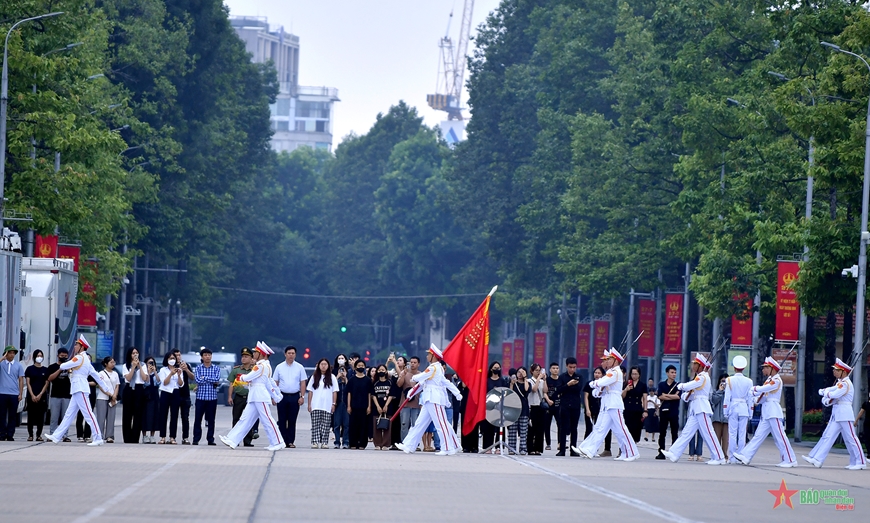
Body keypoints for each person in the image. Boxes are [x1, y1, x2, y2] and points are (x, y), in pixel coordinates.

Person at [396, 345, 462, 456]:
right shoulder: (437, 368)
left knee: (441, 424)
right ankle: (409, 445)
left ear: (433, 356)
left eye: (429, 354)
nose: (427, 356)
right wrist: (411, 392)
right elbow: (424, 384)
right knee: (419, 424)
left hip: (434, 399)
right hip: (429, 399)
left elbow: (421, 377)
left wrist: (413, 378)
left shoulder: (433, 368)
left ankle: (447, 448)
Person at [45, 335, 110, 446]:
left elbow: (65, 365)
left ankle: (98, 437)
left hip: (80, 388)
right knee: (68, 415)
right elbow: (95, 375)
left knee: (88, 414)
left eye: (76, 345)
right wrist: (105, 387)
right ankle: (56, 436)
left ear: (81, 347)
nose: (75, 346)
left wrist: (63, 365)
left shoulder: (79, 358)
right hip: (77, 389)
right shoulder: (85, 360)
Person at [802, 358, 867, 470]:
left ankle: (860, 462)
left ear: (844, 372)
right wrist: (826, 395)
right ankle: (818, 459)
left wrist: (825, 393)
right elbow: (830, 396)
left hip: (845, 414)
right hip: (837, 414)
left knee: (851, 438)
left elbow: (834, 394)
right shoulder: (840, 383)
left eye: (837, 370)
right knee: (828, 436)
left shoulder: (845, 384)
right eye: (835, 369)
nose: (834, 371)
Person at [733, 357, 797, 468]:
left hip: (773, 412)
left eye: (765, 368)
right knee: (758, 436)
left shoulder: (776, 380)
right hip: (767, 412)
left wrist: (755, 389)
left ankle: (791, 459)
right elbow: (763, 397)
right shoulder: (770, 380)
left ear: (771, 368)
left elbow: (765, 389)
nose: (763, 370)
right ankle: (746, 456)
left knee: (780, 437)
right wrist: (754, 398)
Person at [661, 354, 725, 465]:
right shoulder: (699, 377)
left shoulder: (703, 377)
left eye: (695, 364)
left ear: (700, 366)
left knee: (708, 433)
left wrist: (681, 386)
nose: (693, 366)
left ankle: (719, 457)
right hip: (696, 408)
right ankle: (674, 453)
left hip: (702, 408)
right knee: (686, 432)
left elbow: (690, 385)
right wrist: (684, 395)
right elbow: (692, 394)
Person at [576, 350, 638, 461]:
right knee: (602, 429)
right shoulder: (613, 371)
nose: (607, 361)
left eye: (610, 359)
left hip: (614, 404)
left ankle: (632, 453)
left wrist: (592, 383)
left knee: (622, 429)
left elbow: (601, 382)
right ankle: (590, 450)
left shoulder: (615, 372)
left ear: (615, 361)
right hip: (609, 404)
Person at [220, 342, 284, 451]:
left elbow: (249, 377)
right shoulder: (264, 365)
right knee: (245, 419)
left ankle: (278, 442)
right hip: (255, 395)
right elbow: (268, 382)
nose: (254, 354)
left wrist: (241, 378)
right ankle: (232, 439)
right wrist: (276, 395)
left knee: (267, 419)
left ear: (262, 354)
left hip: (260, 396)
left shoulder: (260, 366)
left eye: (256, 352)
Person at [274, 346, 307, 448]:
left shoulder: (299, 367)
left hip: (294, 396)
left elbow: (302, 383)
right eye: (289, 353)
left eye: (293, 353)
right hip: (282, 396)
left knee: (292, 420)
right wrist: (274, 396)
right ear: (285, 354)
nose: (291, 355)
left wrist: (302, 396)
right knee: (282, 419)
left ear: (295, 355)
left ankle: (290, 441)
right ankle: (282, 440)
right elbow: (275, 382)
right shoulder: (279, 367)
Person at [723, 355, 752, 463]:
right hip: (744, 407)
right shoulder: (749, 381)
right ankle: (740, 456)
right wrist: (751, 412)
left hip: (733, 407)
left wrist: (725, 411)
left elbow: (727, 397)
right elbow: (750, 398)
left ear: (734, 367)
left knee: (732, 433)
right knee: (742, 434)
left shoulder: (729, 379)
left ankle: (732, 458)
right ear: (743, 368)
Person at [555, 357, 584, 456]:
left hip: (575, 405)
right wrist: (568, 384)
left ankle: (573, 449)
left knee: (574, 428)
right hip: (565, 405)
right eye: (570, 367)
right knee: (563, 428)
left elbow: (578, 388)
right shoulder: (562, 377)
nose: (572, 369)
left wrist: (568, 387)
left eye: (574, 367)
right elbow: (559, 390)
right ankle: (562, 449)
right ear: (566, 366)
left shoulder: (579, 376)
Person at [228, 347, 257, 447]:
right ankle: (235, 439)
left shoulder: (255, 370)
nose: (244, 359)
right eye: (243, 357)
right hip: (239, 397)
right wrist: (230, 396)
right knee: (236, 418)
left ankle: (248, 440)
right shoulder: (236, 370)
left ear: (251, 358)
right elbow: (231, 383)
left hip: (250, 397)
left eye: (246, 357)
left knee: (248, 419)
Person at [193, 347, 221, 446]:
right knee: (198, 419)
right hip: (200, 397)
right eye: (205, 355)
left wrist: (204, 378)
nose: (207, 357)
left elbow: (217, 379)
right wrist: (210, 380)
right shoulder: (198, 368)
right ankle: (196, 439)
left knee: (211, 420)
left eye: (209, 355)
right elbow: (197, 380)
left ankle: (210, 439)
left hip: (212, 398)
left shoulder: (216, 368)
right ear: (202, 357)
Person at [307, 358, 337, 449]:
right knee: (315, 424)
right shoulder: (314, 377)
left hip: (327, 405)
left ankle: (324, 442)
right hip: (315, 404)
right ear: (318, 366)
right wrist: (309, 404)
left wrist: (333, 403)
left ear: (328, 366)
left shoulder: (332, 377)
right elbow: (310, 391)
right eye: (322, 364)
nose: (323, 366)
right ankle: (315, 442)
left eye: (325, 364)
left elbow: (334, 391)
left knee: (326, 425)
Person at [120, 347, 148, 443]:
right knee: (127, 414)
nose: (135, 355)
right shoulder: (125, 366)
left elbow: (144, 378)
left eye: (136, 353)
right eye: (133, 353)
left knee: (138, 414)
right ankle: (127, 438)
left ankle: (135, 438)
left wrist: (139, 366)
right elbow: (128, 378)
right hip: (129, 389)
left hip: (139, 389)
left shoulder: (143, 365)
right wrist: (133, 367)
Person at [583, 366, 611, 455]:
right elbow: (586, 397)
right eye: (595, 373)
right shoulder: (590, 383)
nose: (597, 375)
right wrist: (587, 409)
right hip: (590, 409)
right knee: (589, 429)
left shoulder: (605, 384)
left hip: (602, 410)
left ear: (603, 375)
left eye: (599, 373)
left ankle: (607, 449)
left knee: (604, 429)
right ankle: (586, 447)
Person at [157, 351, 183, 444]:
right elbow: (164, 382)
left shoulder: (178, 369)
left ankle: (172, 437)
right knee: (163, 415)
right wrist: (171, 374)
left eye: (173, 358)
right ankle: (162, 437)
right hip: (165, 392)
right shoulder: (163, 370)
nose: (172, 360)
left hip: (175, 392)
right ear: (166, 360)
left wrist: (179, 375)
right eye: (170, 358)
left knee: (174, 415)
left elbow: (181, 384)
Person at [481, 361, 508, 452]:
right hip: (489, 407)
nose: (497, 369)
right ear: (491, 369)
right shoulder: (486, 380)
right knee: (488, 428)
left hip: (500, 407)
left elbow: (506, 392)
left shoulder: (502, 381)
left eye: (498, 368)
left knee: (500, 427)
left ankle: (498, 447)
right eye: (495, 368)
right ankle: (488, 447)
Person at [346, 359, 372, 449]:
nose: (361, 367)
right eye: (359, 365)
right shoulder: (352, 380)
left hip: (364, 406)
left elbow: (369, 393)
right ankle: (353, 443)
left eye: (362, 366)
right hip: (353, 406)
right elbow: (349, 393)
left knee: (363, 426)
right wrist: (349, 406)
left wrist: (369, 406)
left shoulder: (368, 380)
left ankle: (362, 444)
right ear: (355, 367)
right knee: (353, 425)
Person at [655, 365, 680, 459]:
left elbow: (678, 397)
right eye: (672, 372)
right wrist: (672, 396)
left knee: (674, 432)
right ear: (667, 373)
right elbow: (660, 396)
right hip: (664, 411)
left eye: (675, 372)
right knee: (662, 432)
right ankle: (661, 451)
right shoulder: (661, 384)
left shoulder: (678, 385)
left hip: (674, 411)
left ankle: (674, 452)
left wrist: (666, 395)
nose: (674, 374)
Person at [46, 348, 72, 441]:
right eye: (62, 356)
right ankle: (53, 434)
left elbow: (73, 378)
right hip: (55, 395)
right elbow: (50, 378)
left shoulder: (70, 367)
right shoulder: (52, 367)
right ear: (58, 356)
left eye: (65, 356)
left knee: (66, 417)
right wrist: (60, 369)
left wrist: (69, 369)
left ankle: (65, 435)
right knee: (54, 417)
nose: (63, 357)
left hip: (67, 395)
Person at [24, 349, 50, 441]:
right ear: (34, 357)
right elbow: (28, 383)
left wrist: (40, 395)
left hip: (41, 396)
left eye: (41, 356)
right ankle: (30, 435)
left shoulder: (45, 370)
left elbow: (46, 383)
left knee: (40, 417)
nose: (39, 357)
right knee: (30, 416)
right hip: (31, 396)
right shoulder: (29, 369)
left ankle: (39, 435)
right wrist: (32, 395)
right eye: (38, 356)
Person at [1, 346, 25, 441]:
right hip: (2, 393)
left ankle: (10, 434)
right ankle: (2, 433)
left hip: (14, 394)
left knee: (12, 415)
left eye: (13, 353)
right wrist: (3, 358)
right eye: (9, 353)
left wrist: (20, 393)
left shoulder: (18, 365)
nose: (12, 355)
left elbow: (20, 380)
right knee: (2, 415)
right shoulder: (2, 364)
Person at [370, 364, 395, 450]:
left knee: (388, 426)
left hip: (388, 406)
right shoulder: (375, 383)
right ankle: (377, 444)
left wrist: (386, 405)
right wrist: (377, 406)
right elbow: (373, 395)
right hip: (377, 406)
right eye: (379, 370)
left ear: (386, 371)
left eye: (383, 370)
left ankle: (386, 444)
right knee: (376, 425)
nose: (381, 371)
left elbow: (391, 395)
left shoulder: (390, 382)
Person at [171, 349, 194, 444]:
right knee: (173, 417)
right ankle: (172, 437)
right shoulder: (170, 366)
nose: (178, 357)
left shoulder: (186, 365)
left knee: (185, 417)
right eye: (176, 355)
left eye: (179, 355)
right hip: (174, 395)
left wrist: (186, 370)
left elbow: (193, 377)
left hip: (185, 395)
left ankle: (185, 437)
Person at [95, 357, 120, 443]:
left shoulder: (115, 374)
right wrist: (110, 394)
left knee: (111, 418)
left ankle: (109, 436)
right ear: (106, 364)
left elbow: (117, 385)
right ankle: (99, 435)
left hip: (113, 399)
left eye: (114, 362)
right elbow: (101, 386)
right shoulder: (101, 373)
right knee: (101, 418)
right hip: (102, 398)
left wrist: (114, 395)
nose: (113, 364)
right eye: (111, 362)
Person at [396, 356, 421, 441]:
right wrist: (403, 374)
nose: (412, 364)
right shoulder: (404, 372)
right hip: (405, 403)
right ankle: (404, 442)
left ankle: (415, 443)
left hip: (417, 403)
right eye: (411, 362)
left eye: (415, 362)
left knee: (415, 424)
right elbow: (399, 384)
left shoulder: (421, 374)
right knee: (404, 424)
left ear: (418, 364)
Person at [622, 366, 648, 443]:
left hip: (637, 409)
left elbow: (645, 398)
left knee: (636, 430)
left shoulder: (642, 385)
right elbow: (622, 396)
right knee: (626, 429)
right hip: (627, 409)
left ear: (639, 374)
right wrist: (626, 390)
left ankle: (633, 448)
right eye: (632, 374)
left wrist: (645, 410)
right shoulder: (626, 383)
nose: (634, 376)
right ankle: (623, 449)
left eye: (636, 374)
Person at [527, 363, 548, 455]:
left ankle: (538, 448)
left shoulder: (542, 381)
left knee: (540, 429)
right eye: (536, 370)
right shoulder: (529, 381)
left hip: (540, 406)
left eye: (539, 370)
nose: (538, 372)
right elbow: (534, 389)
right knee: (532, 429)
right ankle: (530, 448)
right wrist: (539, 379)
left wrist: (545, 380)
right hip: (532, 406)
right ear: (532, 371)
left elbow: (545, 391)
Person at [510, 366, 531, 454]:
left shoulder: (527, 383)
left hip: (524, 409)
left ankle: (523, 448)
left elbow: (527, 390)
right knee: (512, 431)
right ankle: (511, 448)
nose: (520, 373)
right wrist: (511, 383)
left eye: (522, 372)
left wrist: (525, 378)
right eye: (519, 371)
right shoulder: (513, 383)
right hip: (513, 409)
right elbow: (509, 393)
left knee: (523, 431)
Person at [142, 356, 161, 443]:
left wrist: (155, 372)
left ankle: (152, 435)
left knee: (154, 416)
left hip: (155, 396)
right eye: (149, 363)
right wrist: (148, 373)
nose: (151, 364)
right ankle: (145, 435)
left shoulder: (157, 372)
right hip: (146, 396)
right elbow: (146, 383)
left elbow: (158, 382)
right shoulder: (144, 373)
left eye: (152, 363)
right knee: (146, 415)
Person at [710, 374, 729, 461]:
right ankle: (717, 455)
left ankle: (725, 455)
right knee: (716, 438)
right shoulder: (716, 391)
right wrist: (720, 391)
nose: (724, 383)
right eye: (722, 381)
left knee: (726, 439)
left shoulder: (730, 393)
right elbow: (714, 401)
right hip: (717, 418)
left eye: (725, 381)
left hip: (726, 419)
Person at [333, 363, 350, 448]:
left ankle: (346, 442)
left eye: (344, 370)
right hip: (338, 404)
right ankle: (337, 441)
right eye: (341, 370)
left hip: (346, 404)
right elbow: (331, 387)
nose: (342, 372)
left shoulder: (348, 381)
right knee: (337, 424)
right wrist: (337, 377)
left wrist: (345, 378)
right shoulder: (336, 381)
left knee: (346, 424)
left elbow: (350, 388)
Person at [544, 362, 560, 450]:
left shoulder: (561, 380)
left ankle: (559, 443)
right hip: (549, 405)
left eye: (557, 368)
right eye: (553, 368)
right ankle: (548, 443)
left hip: (558, 405)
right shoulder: (547, 380)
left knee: (560, 424)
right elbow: (544, 392)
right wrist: (548, 400)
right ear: (550, 370)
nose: (555, 370)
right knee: (547, 425)